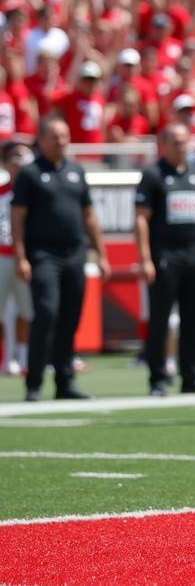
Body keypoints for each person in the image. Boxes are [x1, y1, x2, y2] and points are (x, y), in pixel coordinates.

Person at [12, 117, 111, 401]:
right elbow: (18, 217)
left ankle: (65, 382)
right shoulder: (30, 174)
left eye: (65, 136)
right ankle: (34, 383)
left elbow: (89, 217)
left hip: (74, 253)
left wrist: (101, 253)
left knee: (70, 318)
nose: (61, 141)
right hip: (43, 255)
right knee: (46, 313)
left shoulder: (76, 171)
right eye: (55, 136)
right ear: (41, 139)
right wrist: (21, 257)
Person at [134, 123, 195, 396]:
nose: (182, 148)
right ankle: (158, 377)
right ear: (164, 144)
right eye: (176, 142)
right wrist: (146, 258)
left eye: (185, 142)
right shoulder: (153, 175)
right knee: (160, 319)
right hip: (165, 254)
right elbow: (141, 218)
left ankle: (192, 377)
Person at [0, 140, 34, 376]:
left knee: (27, 311)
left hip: (25, 257)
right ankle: (5, 357)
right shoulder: (1, 192)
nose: (18, 163)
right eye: (13, 157)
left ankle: (24, 358)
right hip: (1, 256)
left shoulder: (34, 193)